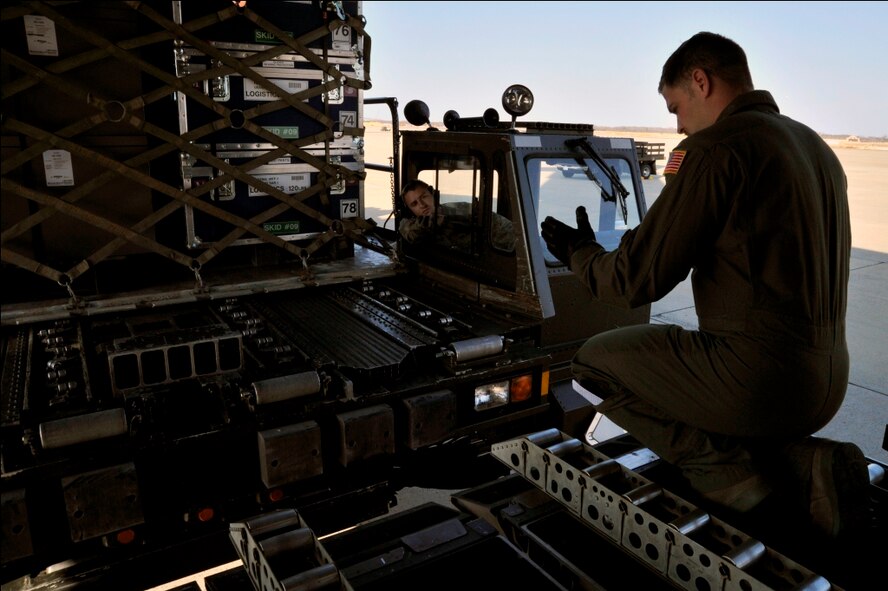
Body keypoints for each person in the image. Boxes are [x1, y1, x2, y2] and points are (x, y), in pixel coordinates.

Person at [540, 32, 869, 538]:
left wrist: (580, 254)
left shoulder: (718, 148)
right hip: (826, 383)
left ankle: (729, 477)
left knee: (593, 363)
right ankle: (804, 463)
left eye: (676, 107)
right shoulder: (813, 146)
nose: (677, 124)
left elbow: (635, 279)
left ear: (700, 80)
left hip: (756, 382)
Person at [398, 179, 515, 252]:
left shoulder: (459, 209)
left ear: (433, 194)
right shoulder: (409, 225)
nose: (422, 205)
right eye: (414, 204)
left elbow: (499, 225)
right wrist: (432, 225)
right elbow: (411, 233)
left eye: (424, 197)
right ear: (410, 210)